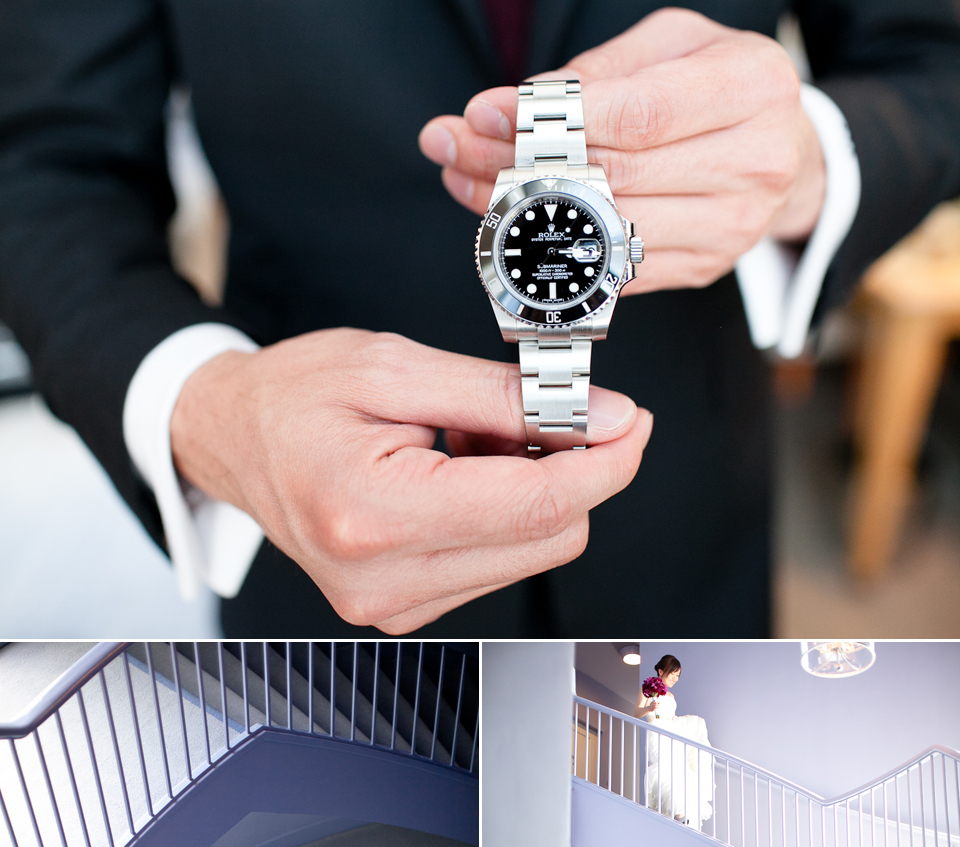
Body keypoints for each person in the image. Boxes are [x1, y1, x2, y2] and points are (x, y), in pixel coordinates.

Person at [1, 5, 958, 636]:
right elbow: (43, 163)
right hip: (306, 542)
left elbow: (932, 61)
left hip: (686, 522)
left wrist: (811, 163)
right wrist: (204, 406)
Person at [635, 655, 713, 825]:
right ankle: (673, 811)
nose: (675, 679)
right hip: (656, 732)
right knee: (664, 767)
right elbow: (636, 712)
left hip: (672, 733)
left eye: (678, 675)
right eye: (673, 674)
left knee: (679, 769)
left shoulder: (671, 695)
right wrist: (649, 707)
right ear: (661, 671)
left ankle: (680, 813)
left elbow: (672, 718)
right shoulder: (647, 689)